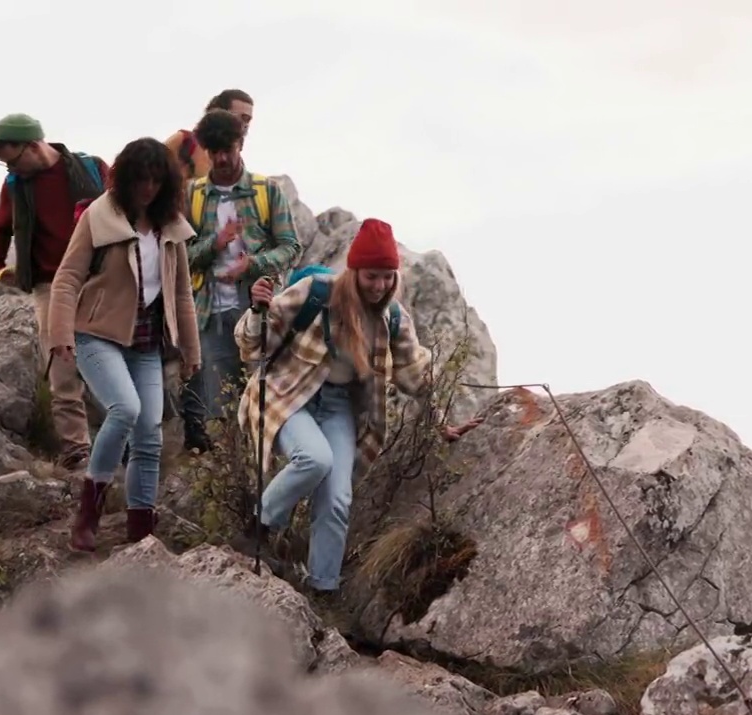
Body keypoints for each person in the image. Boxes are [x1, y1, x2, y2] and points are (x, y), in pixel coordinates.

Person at [232, 218, 482, 595]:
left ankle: (322, 588)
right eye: (371, 276)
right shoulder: (316, 292)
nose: (379, 286)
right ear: (355, 271)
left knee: (337, 498)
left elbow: (415, 374)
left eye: (386, 277)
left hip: (338, 407)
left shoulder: (393, 319)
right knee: (314, 459)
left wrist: (439, 422)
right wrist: (256, 310)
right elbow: (253, 344)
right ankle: (259, 528)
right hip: (291, 395)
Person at [46, 137, 201, 553]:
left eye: (156, 180)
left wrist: (191, 351)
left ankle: (140, 530)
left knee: (149, 431)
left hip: (147, 343)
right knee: (125, 409)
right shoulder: (100, 216)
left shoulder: (170, 225)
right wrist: (60, 335)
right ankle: (89, 514)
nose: (148, 188)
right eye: (141, 179)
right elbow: (67, 278)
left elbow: (182, 293)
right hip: (96, 333)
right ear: (126, 178)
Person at [0, 113, 110, 472]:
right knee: (61, 365)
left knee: (112, 357)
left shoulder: (91, 169)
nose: (11, 168)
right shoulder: (15, 185)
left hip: (100, 279)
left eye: (13, 159)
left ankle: (126, 440)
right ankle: (76, 449)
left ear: (35, 145)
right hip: (50, 286)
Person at [180, 108, 301, 453]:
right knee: (221, 403)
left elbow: (291, 246)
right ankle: (233, 471)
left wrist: (253, 264)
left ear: (241, 145)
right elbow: (181, 256)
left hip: (260, 310)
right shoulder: (194, 195)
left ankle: (264, 463)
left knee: (265, 395)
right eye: (213, 152)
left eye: (227, 150)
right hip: (209, 310)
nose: (220, 159)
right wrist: (214, 244)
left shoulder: (267, 191)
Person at [164, 89, 254, 181]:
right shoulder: (184, 141)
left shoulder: (237, 164)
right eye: (242, 117)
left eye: (248, 120)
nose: (245, 124)